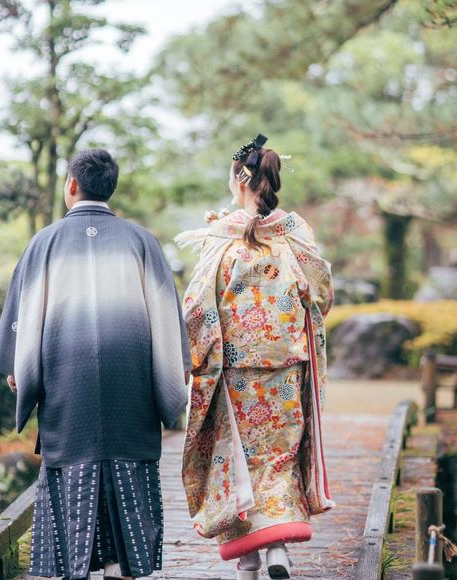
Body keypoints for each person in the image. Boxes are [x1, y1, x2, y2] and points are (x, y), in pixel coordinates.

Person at [0, 148, 191, 580]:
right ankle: (123, 567)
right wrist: (176, 372)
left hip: (66, 384)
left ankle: (75, 568)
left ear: (72, 185)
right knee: (128, 473)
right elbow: (168, 326)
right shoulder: (142, 242)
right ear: (109, 188)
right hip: (131, 389)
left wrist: (20, 373)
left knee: (71, 472)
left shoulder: (44, 243)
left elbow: (24, 326)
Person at [176, 134, 335, 580]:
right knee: (279, 457)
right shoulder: (294, 233)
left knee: (235, 457)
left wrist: (190, 356)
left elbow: (197, 306)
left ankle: (247, 559)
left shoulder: (220, 237)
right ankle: (277, 549)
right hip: (286, 367)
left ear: (240, 179)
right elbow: (321, 293)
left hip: (235, 372)